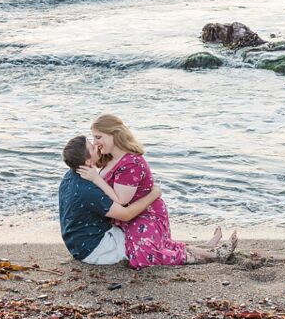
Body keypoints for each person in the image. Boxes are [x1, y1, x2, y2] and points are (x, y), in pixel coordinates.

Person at [84, 114, 236, 268]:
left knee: (143, 256)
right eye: (94, 138)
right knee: (152, 247)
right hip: (128, 217)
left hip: (145, 215)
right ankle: (206, 249)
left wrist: (96, 179)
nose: (95, 143)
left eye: (98, 137)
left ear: (114, 134)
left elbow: (121, 200)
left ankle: (213, 255)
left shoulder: (131, 163)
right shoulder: (110, 158)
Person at [59, 136, 165, 264]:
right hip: (95, 248)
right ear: (87, 162)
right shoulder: (87, 190)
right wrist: (154, 194)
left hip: (77, 243)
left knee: (141, 232)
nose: (96, 145)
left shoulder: (70, 175)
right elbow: (126, 215)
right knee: (145, 247)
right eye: (92, 147)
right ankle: (186, 254)